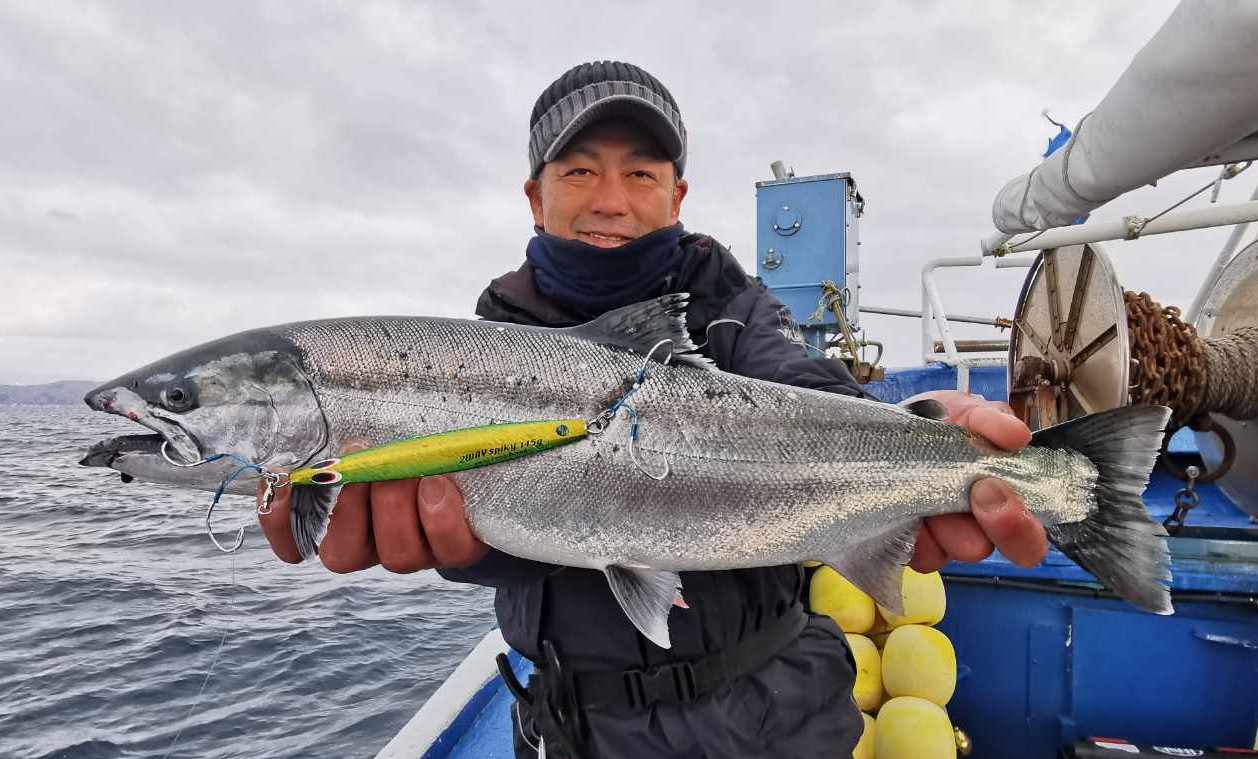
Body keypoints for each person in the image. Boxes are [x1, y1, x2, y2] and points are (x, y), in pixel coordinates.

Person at [258, 61, 1046, 758]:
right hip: (583, 729)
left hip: (778, 713)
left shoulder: (733, 308)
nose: (611, 201)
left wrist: (920, 429)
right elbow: (495, 532)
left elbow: (808, 388)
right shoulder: (486, 349)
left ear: (677, 196)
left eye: (640, 173)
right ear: (535, 196)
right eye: (579, 171)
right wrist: (460, 549)